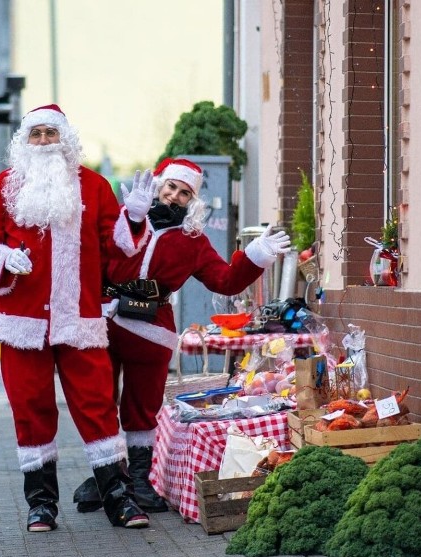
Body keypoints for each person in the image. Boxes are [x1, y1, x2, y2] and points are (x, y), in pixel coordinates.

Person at [0, 104, 154, 532]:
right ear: (24, 141)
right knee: (30, 408)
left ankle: (118, 497)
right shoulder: (3, 186)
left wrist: (136, 217)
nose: (43, 142)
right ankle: (41, 503)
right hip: (21, 320)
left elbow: (119, 247)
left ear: (65, 139)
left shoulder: (94, 186)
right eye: (35, 135)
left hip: (79, 318)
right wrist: (1, 257)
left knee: (96, 407)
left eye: (50, 134)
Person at [73, 157, 291, 513]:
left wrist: (256, 256)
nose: (174, 196)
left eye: (185, 192)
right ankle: (109, 477)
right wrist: (131, 219)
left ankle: (139, 483)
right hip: (103, 325)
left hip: (151, 330)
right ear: (159, 186)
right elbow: (96, 258)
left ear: (193, 200)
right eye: (171, 187)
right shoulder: (124, 222)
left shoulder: (193, 241)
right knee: (98, 402)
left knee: (141, 409)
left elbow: (225, 280)